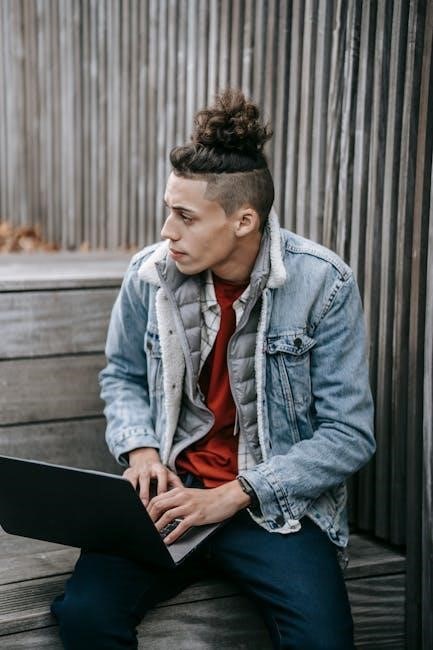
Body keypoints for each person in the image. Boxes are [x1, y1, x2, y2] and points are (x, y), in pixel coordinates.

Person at [51, 89, 375, 649]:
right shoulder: (150, 274)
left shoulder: (324, 284)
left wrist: (236, 493)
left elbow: (349, 434)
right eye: (168, 209)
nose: (166, 231)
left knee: (323, 642)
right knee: (85, 616)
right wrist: (142, 451)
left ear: (244, 220)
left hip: (272, 508)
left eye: (185, 216)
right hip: (174, 495)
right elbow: (122, 375)